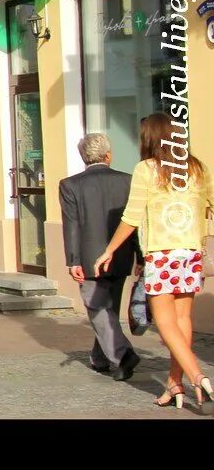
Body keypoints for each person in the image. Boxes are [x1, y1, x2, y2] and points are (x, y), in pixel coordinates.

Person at [94, 113, 213, 409]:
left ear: (150, 138)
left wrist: (109, 250)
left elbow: (131, 217)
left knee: (164, 322)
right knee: (183, 319)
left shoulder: (147, 169)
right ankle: (175, 385)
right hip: (191, 253)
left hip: (162, 254)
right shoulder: (196, 168)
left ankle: (199, 378)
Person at [60, 132, 141, 380]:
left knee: (98, 309)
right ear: (108, 155)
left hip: (88, 258)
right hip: (121, 255)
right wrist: (141, 257)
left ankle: (123, 355)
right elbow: (136, 222)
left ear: (83, 157)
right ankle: (100, 357)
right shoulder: (128, 181)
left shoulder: (70, 184)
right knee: (109, 310)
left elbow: (71, 224)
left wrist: (73, 260)